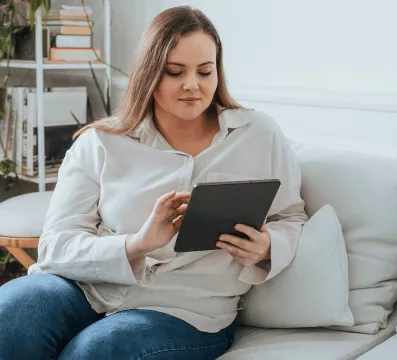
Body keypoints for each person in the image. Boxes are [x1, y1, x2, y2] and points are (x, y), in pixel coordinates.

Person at [0, 6, 307, 360]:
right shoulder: (100, 142)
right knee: (12, 310)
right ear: (149, 74)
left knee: (100, 349)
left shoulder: (258, 134)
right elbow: (55, 247)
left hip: (186, 311)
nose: (192, 85)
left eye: (205, 72)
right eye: (175, 72)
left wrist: (267, 248)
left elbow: (291, 217)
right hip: (88, 289)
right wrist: (136, 244)